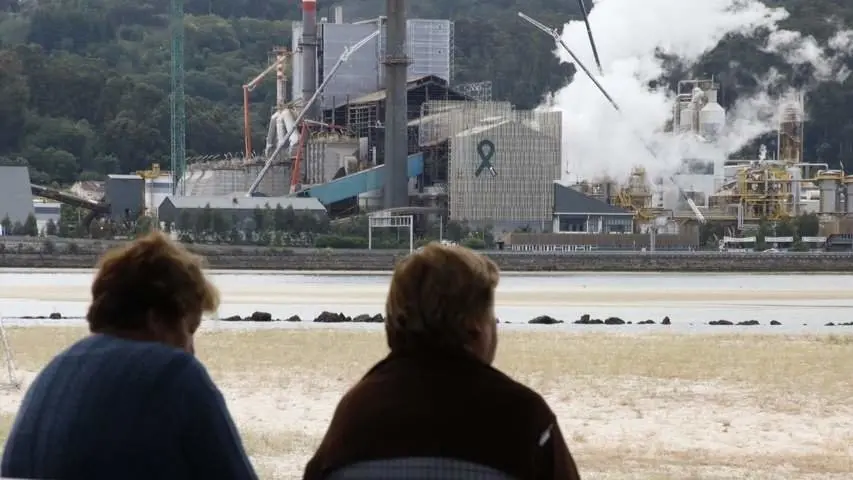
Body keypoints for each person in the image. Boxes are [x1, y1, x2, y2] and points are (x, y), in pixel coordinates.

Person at [304, 243, 581, 479]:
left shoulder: (352, 417)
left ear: (392, 324)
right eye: (490, 315)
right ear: (476, 327)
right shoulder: (525, 418)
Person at [1, 231, 257, 480]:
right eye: (189, 329)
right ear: (157, 319)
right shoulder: (174, 374)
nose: (192, 349)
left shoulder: (55, 371)